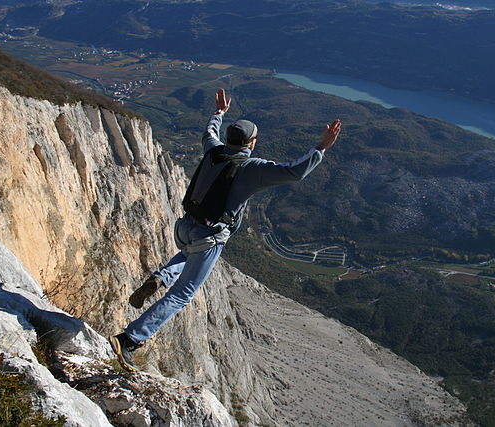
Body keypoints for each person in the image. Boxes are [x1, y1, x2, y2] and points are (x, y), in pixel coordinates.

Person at [109, 88, 341, 372]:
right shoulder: (252, 168)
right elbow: (295, 170)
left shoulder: (213, 150)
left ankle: (161, 277)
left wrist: (219, 112)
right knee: (183, 293)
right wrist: (322, 147)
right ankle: (131, 338)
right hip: (209, 237)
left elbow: (209, 131)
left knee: (187, 254)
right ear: (251, 143)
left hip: (184, 227)